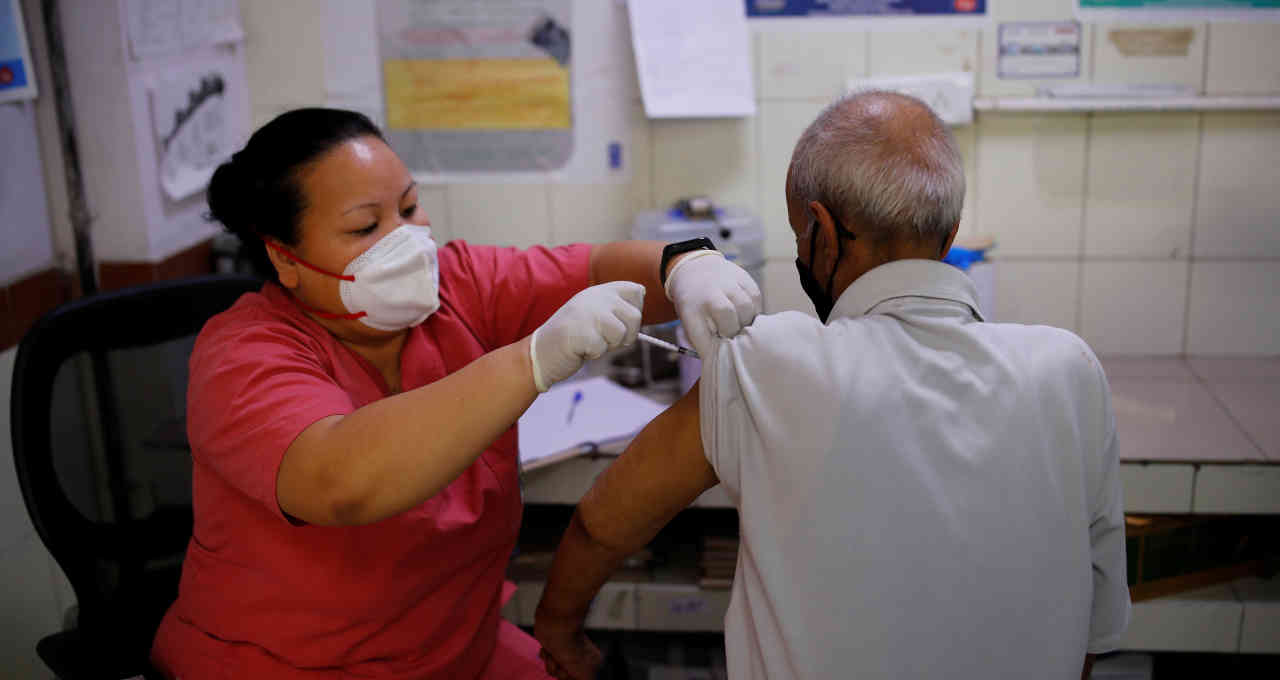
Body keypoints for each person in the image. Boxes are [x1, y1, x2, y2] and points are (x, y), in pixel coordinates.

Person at [533, 91, 1130, 680]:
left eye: (799, 238)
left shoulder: (766, 363)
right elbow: (1095, 624)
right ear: (949, 236)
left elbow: (604, 521)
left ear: (819, 230)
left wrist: (560, 633)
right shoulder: (1070, 370)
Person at [149, 108, 762, 679]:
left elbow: (599, 267)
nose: (407, 240)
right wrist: (531, 361)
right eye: (366, 226)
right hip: (288, 665)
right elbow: (338, 480)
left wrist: (686, 268)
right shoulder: (243, 354)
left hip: (453, 649)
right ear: (283, 258)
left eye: (410, 209)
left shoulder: (458, 286)